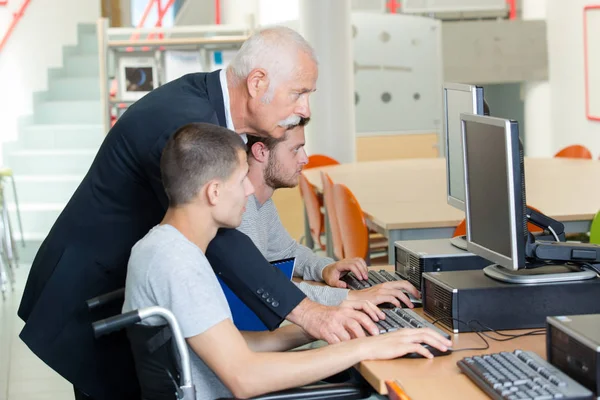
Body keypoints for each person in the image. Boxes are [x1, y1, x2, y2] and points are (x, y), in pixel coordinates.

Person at [17, 27, 379, 400]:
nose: (304, 110)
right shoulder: (182, 123)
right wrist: (311, 313)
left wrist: (321, 316)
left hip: (131, 288)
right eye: (299, 93)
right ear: (257, 83)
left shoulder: (211, 112)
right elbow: (222, 240)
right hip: (87, 286)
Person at [123, 122, 452, 400]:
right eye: (241, 181)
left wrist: (327, 324)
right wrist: (364, 349)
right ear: (213, 192)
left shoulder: (164, 248)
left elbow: (233, 345)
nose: (250, 192)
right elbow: (244, 376)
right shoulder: (176, 262)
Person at [240, 122, 422, 307]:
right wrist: (349, 297)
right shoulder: (241, 210)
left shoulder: (263, 204)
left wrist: (325, 268)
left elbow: (286, 253)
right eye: (295, 150)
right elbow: (262, 286)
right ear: (261, 152)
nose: (305, 159)